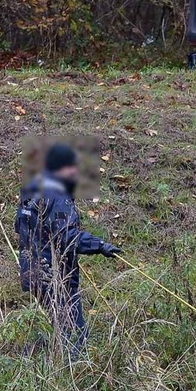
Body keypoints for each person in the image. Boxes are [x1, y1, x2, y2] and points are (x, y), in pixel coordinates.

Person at [15, 142, 121, 357]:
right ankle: (70, 375)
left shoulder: (32, 188)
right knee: (76, 333)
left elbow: (23, 227)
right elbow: (66, 236)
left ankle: (35, 358)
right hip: (55, 276)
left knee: (59, 324)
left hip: (32, 272)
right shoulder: (57, 195)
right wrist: (99, 246)